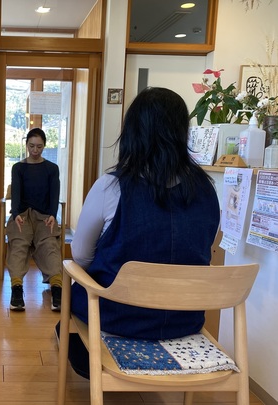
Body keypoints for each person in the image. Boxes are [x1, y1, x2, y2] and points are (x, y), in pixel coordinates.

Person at [66, 87, 220, 378]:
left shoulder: (111, 186)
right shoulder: (207, 191)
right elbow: (203, 246)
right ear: (182, 133)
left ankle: (87, 353)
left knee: (74, 296)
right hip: (183, 322)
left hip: (117, 318)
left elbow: (81, 256)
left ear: (133, 132)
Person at [6, 127, 63, 311]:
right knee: (18, 244)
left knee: (49, 245)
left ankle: (57, 289)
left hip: (44, 217)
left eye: (39, 146)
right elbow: (16, 193)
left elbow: (55, 194)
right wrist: (16, 215)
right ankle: (16, 289)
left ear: (44, 146)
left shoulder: (52, 169)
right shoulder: (18, 168)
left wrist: (53, 215)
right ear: (26, 145)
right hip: (22, 216)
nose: (35, 150)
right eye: (31, 146)